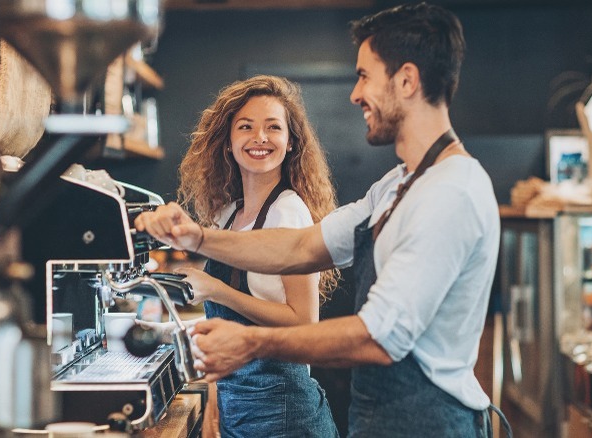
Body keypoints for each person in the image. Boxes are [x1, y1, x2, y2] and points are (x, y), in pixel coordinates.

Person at [135, 3, 511, 437]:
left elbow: (377, 338)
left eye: (365, 76)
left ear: (406, 80)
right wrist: (196, 236)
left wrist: (251, 342)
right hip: (380, 417)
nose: (355, 94)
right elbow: (300, 246)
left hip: (431, 423)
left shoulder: (451, 191)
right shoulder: (396, 186)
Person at [141, 75, 340, 437]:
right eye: (245, 127)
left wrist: (216, 288)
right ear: (228, 143)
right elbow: (227, 326)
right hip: (240, 412)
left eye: (273, 128)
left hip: (283, 412)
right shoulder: (229, 214)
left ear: (291, 142)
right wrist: (214, 402)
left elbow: (303, 322)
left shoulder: (288, 211)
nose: (260, 138)